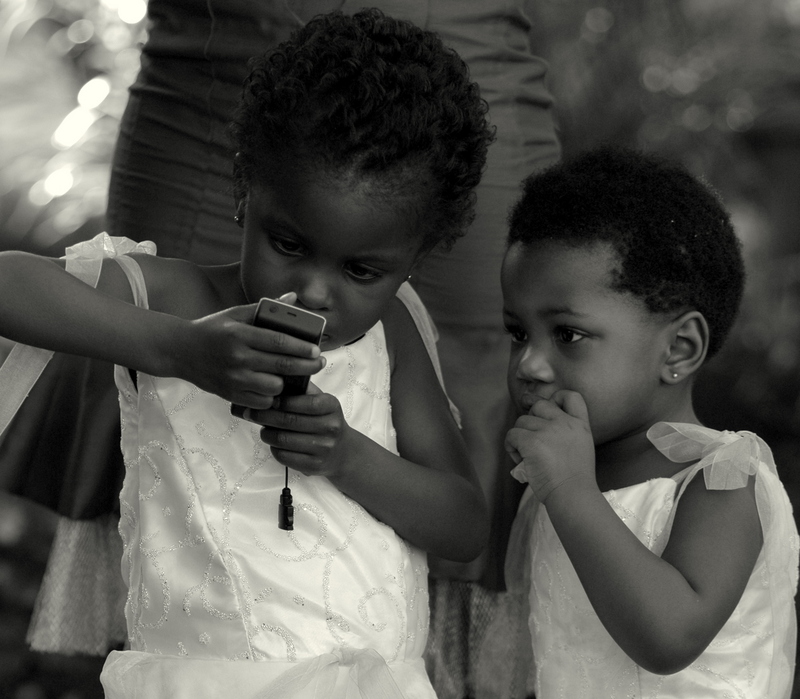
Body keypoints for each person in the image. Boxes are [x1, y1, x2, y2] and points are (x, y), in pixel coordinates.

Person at [0, 10, 493, 697]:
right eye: (289, 244)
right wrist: (179, 350)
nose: (315, 291)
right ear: (244, 190)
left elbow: (463, 522)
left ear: (417, 253)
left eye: (361, 272)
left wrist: (346, 455)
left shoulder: (394, 334)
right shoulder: (177, 296)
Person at [495, 146, 799, 698]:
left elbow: (669, 638)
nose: (529, 365)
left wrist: (570, 489)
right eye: (518, 332)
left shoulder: (722, 478)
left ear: (679, 349)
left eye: (567, 335)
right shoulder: (560, 473)